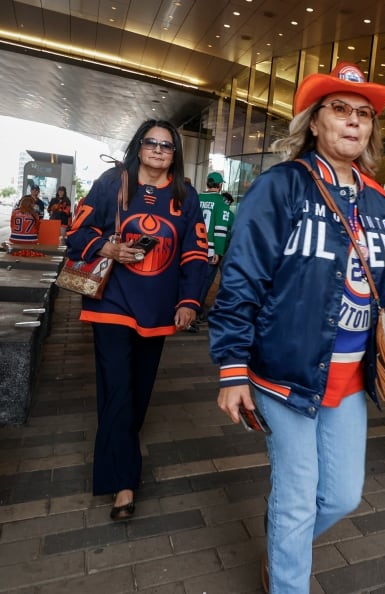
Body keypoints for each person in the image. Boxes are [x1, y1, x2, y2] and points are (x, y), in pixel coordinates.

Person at [209, 62, 385, 594]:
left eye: (364, 114)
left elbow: (378, 276)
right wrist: (231, 368)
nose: (354, 122)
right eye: (340, 109)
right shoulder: (280, 187)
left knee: (341, 496)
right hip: (284, 370)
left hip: (351, 376)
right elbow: (241, 279)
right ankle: (289, 577)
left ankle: (283, 546)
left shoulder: (379, 200)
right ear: (314, 122)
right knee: (296, 493)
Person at [66, 119, 208, 521]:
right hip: (110, 303)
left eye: (167, 145)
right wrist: (107, 247)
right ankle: (124, 484)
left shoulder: (185, 196)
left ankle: (119, 451)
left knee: (138, 393)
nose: (159, 150)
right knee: (118, 388)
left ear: (175, 153)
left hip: (158, 310)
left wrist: (190, 302)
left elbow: (195, 253)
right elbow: (77, 231)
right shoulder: (114, 182)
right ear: (138, 146)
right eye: (152, 143)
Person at [193, 172, 234, 327]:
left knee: (192, 279)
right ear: (219, 185)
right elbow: (220, 230)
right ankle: (196, 312)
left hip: (193, 248)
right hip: (210, 250)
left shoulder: (196, 198)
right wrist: (219, 251)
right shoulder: (221, 203)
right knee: (205, 282)